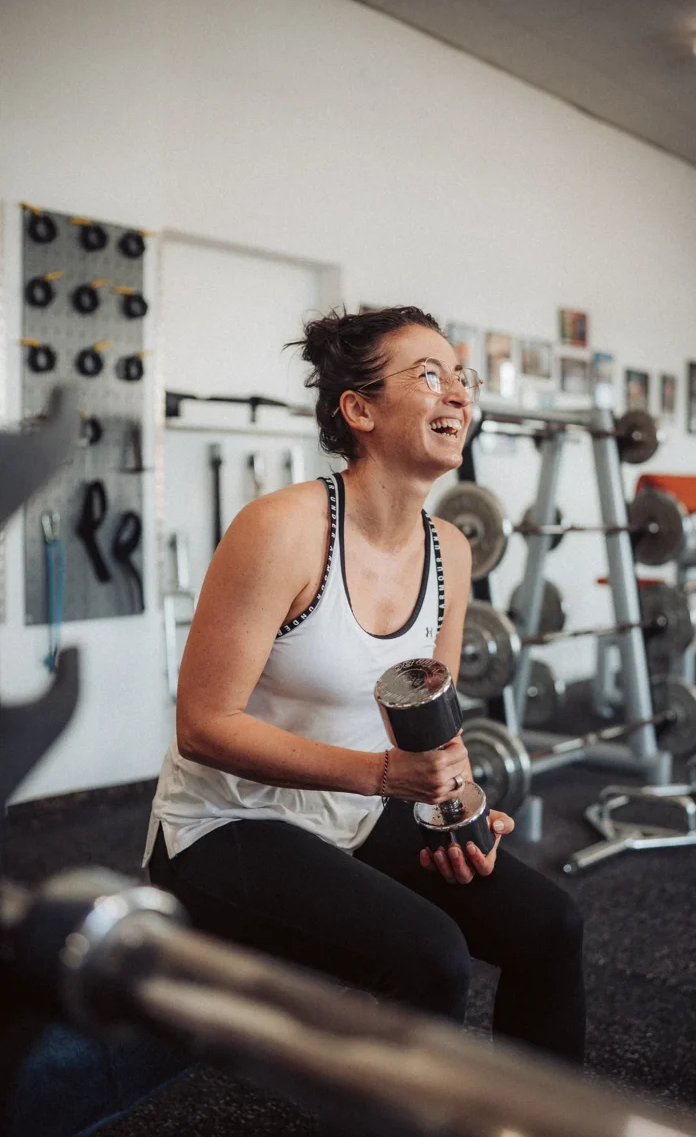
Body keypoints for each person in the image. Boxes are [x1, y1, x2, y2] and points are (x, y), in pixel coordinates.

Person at [145, 306, 585, 1065]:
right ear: (359, 410)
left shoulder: (450, 551)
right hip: (225, 824)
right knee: (430, 956)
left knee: (551, 924)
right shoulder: (281, 529)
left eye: (462, 378)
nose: (458, 394)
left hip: (358, 810)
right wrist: (386, 777)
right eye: (429, 376)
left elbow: (433, 723)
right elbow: (204, 726)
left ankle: (537, 1117)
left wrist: (457, 812)